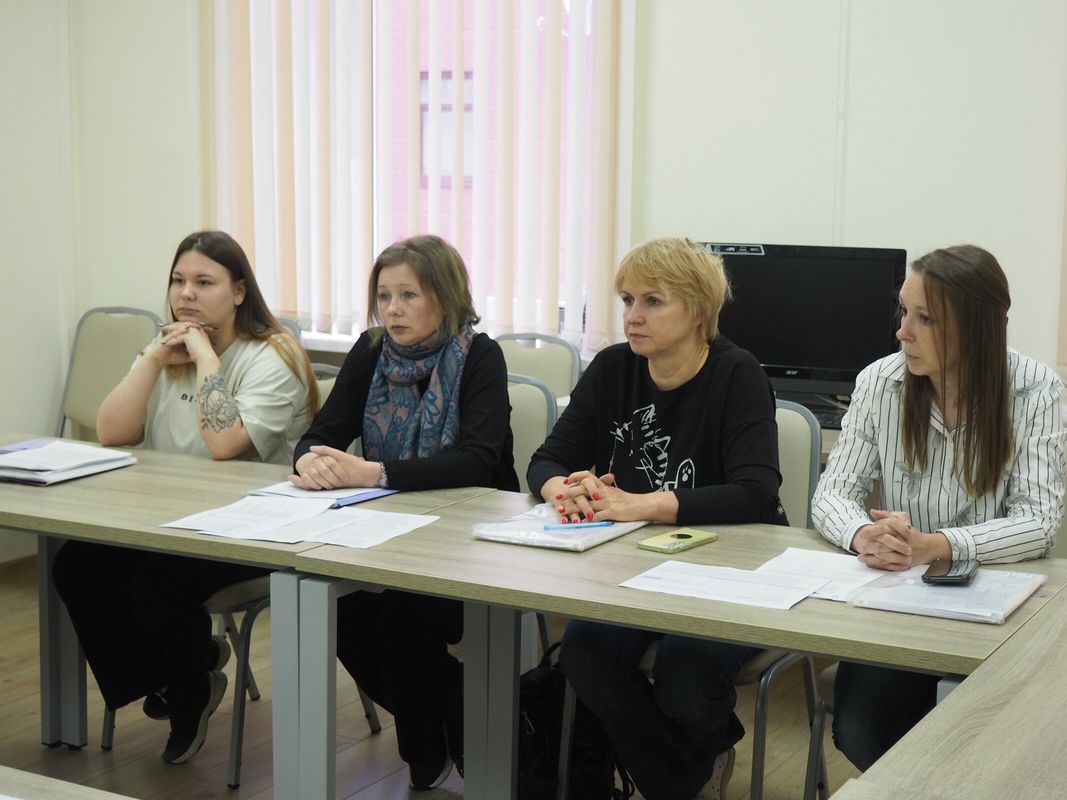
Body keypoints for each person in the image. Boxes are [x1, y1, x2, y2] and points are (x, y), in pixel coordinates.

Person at [527, 237, 786, 800]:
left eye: (652, 301)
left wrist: (643, 503)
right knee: (584, 652)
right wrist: (566, 490)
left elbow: (756, 494)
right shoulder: (612, 368)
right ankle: (687, 774)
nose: (632, 317)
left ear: (696, 310)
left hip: (731, 570)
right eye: (627, 300)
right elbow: (546, 461)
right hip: (636, 569)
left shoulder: (736, 373)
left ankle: (677, 771)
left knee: (688, 668)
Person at [53, 230, 317, 764]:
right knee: (76, 564)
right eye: (178, 281)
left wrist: (204, 356)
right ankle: (181, 675)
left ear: (239, 292)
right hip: (165, 518)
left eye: (204, 282)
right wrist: (153, 358)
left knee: (155, 585)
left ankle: (188, 685)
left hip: (253, 527)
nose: (186, 294)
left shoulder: (272, 355)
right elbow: (111, 432)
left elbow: (224, 444)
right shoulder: (166, 346)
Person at [811, 244, 1066, 770]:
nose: (902, 331)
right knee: (860, 728)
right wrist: (862, 534)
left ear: (976, 329)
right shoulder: (880, 382)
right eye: (903, 311)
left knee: (989, 739)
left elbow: (1038, 522)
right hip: (902, 605)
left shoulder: (1037, 391)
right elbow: (832, 494)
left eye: (924, 319)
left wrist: (937, 545)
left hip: (1001, 610)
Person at [288, 234, 518, 790]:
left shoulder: (479, 356)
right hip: (384, 527)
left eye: (408, 295)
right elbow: (320, 435)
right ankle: (455, 707)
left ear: (445, 296)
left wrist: (375, 473)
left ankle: (425, 748)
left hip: (472, 535)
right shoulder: (370, 351)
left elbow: (478, 461)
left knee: (403, 613)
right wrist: (312, 461)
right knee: (331, 604)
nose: (392, 309)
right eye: (384, 296)